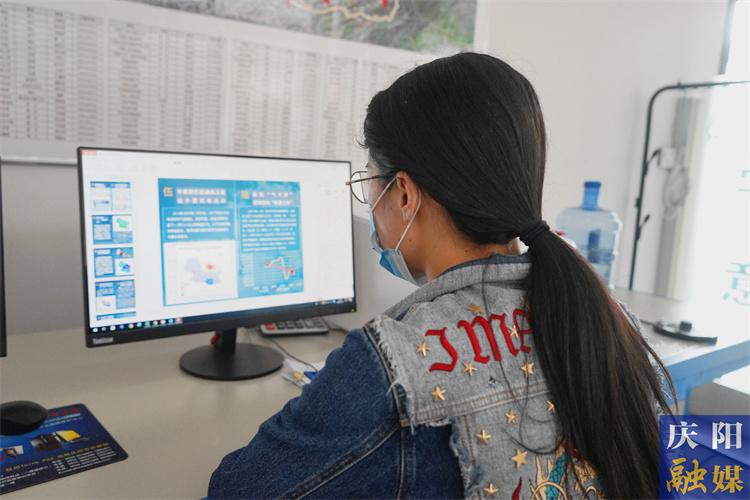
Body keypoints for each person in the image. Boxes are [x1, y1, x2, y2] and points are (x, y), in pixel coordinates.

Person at [207, 52, 674, 499]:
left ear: (404, 195)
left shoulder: (393, 361)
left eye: (369, 184)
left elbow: (237, 489)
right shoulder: (613, 320)